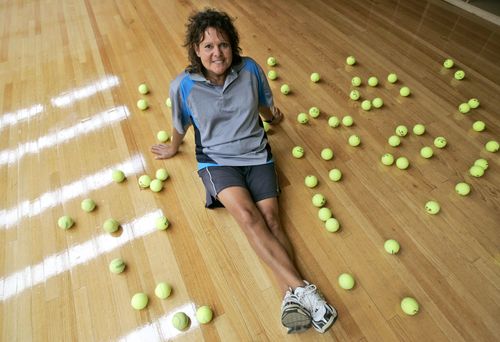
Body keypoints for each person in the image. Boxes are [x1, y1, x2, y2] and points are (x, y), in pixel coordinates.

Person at [151, 8, 337, 334]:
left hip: (257, 155)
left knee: (272, 220)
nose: (216, 53)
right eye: (207, 46)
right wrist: (173, 146)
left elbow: (264, 103)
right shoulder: (182, 85)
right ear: (196, 49)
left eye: (223, 45)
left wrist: (274, 118)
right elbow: (180, 123)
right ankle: (306, 290)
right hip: (217, 162)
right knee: (249, 218)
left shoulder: (249, 68)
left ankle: (290, 299)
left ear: (232, 46)